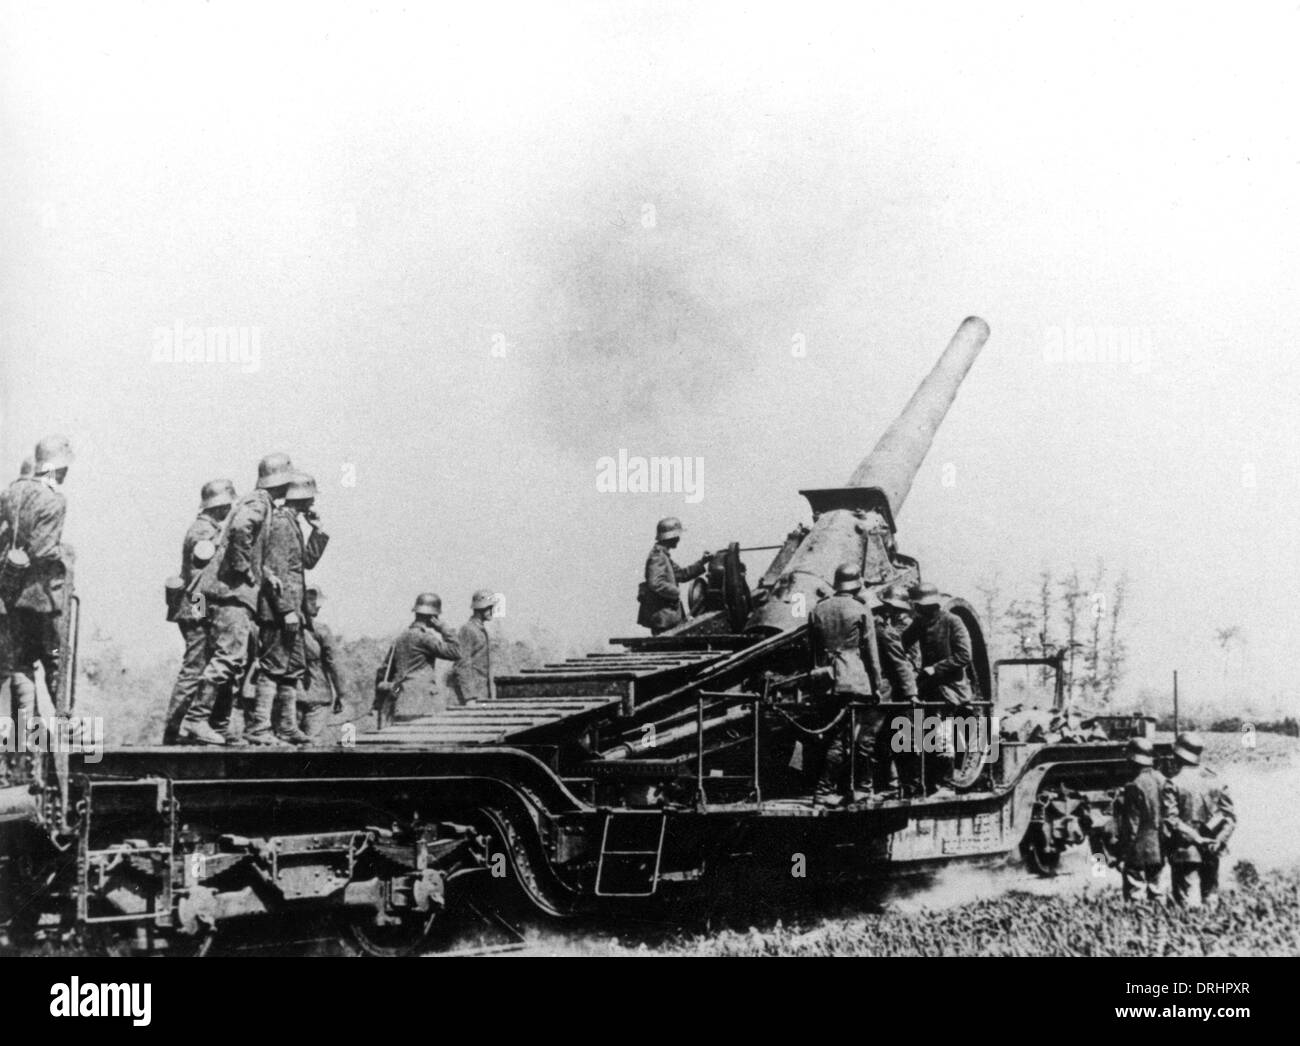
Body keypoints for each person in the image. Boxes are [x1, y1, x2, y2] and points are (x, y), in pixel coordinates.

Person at [183, 452, 294, 745]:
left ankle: (216, 727)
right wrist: (245, 570)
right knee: (228, 658)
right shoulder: (258, 503)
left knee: (234, 662)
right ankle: (196, 720)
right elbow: (241, 529)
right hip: (230, 594)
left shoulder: (254, 500)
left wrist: (263, 572)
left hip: (224, 594)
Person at [0, 436, 74, 740]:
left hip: (11, 594)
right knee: (57, 658)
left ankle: (27, 736)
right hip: (42, 597)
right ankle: (63, 729)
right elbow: (43, 551)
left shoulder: (12, 492)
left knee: (20, 663)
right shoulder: (54, 499)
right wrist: (64, 556)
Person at [161, 479, 236, 744]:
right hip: (196, 606)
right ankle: (173, 730)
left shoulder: (206, 528)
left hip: (195, 605)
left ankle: (181, 729)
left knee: (199, 667)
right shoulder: (204, 531)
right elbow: (198, 581)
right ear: (220, 505)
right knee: (194, 669)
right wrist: (202, 615)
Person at [808, 562, 885, 806]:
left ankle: (842, 788)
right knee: (848, 740)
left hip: (826, 681)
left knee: (831, 735)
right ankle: (827, 791)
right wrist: (877, 686)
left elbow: (812, 650)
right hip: (853, 680)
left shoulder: (818, 609)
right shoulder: (861, 609)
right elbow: (871, 653)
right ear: (857, 584)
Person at [902, 582, 972, 794]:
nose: (921, 610)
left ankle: (946, 784)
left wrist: (937, 668)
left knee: (943, 736)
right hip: (929, 688)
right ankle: (927, 783)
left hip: (950, 688)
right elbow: (902, 643)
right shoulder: (920, 623)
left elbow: (964, 656)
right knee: (921, 735)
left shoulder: (953, 621)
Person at [1163, 731, 1235, 908]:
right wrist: (1218, 841)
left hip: (1184, 850)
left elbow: (1171, 819)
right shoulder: (1217, 780)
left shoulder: (1173, 783)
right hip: (1212, 849)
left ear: (1177, 754)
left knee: (1184, 903)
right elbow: (1230, 817)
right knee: (1210, 899)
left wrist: (1196, 838)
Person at [375, 593, 461, 727]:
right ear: (432, 617)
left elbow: (383, 671)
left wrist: (378, 702)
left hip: (400, 701)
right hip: (422, 703)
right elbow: (455, 652)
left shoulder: (400, 638)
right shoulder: (424, 637)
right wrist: (444, 629)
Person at [872, 583, 921, 796]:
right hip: (890, 692)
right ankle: (893, 784)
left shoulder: (908, 628)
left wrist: (910, 688)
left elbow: (912, 663)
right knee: (886, 739)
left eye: (900, 610)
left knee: (904, 740)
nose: (897, 614)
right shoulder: (883, 627)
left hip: (901, 692)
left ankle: (910, 785)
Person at [1116, 736, 1166, 903]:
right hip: (1160, 846)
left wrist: (1124, 852)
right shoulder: (1163, 780)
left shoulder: (1134, 785)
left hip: (1138, 849)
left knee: (1135, 894)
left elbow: (1132, 825)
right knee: (1157, 892)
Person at [637, 517, 709, 634]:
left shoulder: (664, 556)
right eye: (677, 535)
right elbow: (655, 583)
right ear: (671, 537)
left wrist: (702, 561)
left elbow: (682, 574)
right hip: (663, 618)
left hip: (667, 617)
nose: (678, 539)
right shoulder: (657, 556)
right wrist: (675, 591)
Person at [296, 584, 344, 741]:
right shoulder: (322, 631)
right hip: (318, 696)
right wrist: (341, 694)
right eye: (313, 601)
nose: (318, 606)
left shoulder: (281, 629)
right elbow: (334, 663)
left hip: (291, 694)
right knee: (313, 744)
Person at [452, 589, 498, 704]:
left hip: (483, 694)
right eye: (489, 608)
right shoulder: (468, 629)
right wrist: (469, 697)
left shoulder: (480, 630)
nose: (492, 611)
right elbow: (461, 664)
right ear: (480, 608)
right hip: (473, 697)